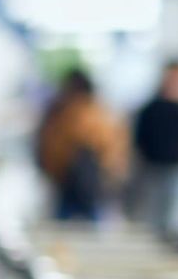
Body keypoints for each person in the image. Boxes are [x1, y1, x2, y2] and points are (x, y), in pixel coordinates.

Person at [35, 69, 128, 221]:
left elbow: (50, 148)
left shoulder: (60, 113)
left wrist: (52, 170)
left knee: (63, 224)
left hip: (66, 180)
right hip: (94, 182)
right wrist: (110, 172)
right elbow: (113, 147)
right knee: (94, 224)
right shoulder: (102, 112)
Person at [132, 60, 178, 234]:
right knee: (151, 216)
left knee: (175, 217)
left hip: (177, 169)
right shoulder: (150, 109)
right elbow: (139, 140)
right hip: (152, 168)